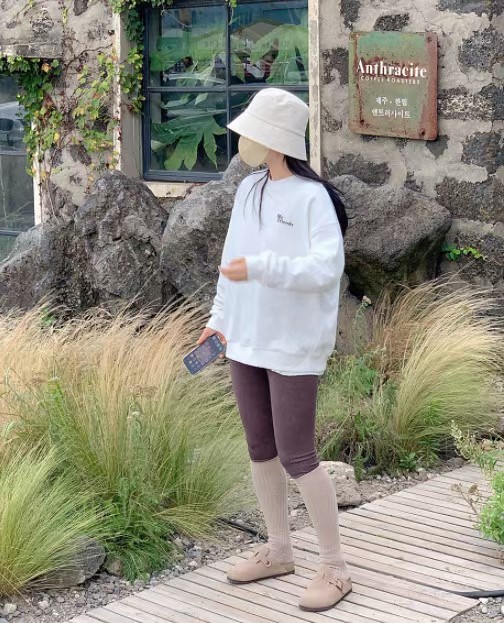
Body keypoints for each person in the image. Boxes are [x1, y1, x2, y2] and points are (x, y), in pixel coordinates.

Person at [197, 87, 350, 613]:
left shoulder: (313, 199)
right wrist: (218, 322)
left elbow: (325, 270)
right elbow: (230, 264)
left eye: (252, 131)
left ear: (276, 139)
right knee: (260, 448)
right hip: (245, 339)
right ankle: (279, 550)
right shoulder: (248, 190)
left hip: (293, 345)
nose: (244, 140)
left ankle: (334, 567)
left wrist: (262, 267)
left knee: (298, 455)